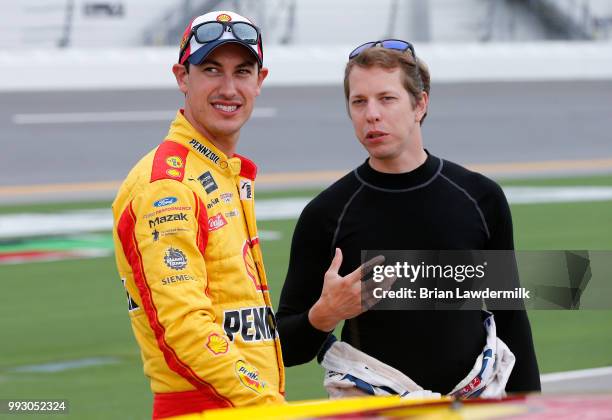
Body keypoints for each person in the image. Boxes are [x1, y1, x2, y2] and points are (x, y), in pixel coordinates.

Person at [276, 40, 541, 396]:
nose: (371, 114)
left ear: (420, 104)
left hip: (474, 404)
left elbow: (509, 317)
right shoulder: (326, 215)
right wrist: (324, 314)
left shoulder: (480, 198)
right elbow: (286, 348)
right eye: (359, 102)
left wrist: (532, 409)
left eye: (387, 99)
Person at [112, 10, 285, 419]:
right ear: (182, 77)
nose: (229, 88)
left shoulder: (220, 171)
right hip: (209, 408)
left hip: (242, 406)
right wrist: (267, 406)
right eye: (211, 69)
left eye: (243, 71)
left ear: (259, 82)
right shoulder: (167, 185)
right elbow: (185, 327)